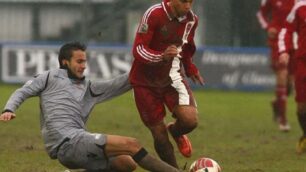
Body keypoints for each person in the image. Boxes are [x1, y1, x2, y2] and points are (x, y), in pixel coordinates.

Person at [0, 42, 182, 172]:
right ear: (65, 62)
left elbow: (122, 82)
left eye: (85, 62)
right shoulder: (49, 77)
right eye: (79, 62)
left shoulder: (89, 88)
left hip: (78, 144)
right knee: (132, 144)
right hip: (67, 143)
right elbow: (22, 92)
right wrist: (9, 109)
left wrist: (155, 62)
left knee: (126, 164)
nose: (83, 66)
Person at [129, 0, 204, 168]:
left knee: (190, 121)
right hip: (144, 82)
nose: (188, 6)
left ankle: (176, 131)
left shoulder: (192, 19)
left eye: (191, 2)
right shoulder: (154, 14)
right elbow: (138, 49)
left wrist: (190, 68)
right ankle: (173, 170)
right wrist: (161, 56)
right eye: (184, 1)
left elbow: (185, 47)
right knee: (159, 135)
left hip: (172, 77)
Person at [256, 0, 296, 131]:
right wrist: (268, 27)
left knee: (290, 85)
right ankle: (283, 120)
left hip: (295, 41)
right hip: (277, 40)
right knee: (282, 75)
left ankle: (276, 103)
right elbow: (261, 14)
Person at [278, 0, 306, 154]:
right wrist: (284, 51)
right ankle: (305, 135)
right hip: (303, 64)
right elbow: (286, 30)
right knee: (302, 109)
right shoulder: (300, 7)